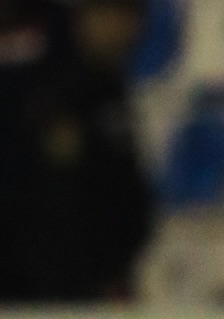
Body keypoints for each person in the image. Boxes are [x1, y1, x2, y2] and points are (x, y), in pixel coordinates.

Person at [0, 0, 152, 303]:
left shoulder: (103, 88)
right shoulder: (37, 86)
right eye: (107, 14)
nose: (122, 29)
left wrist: (116, 266)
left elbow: (125, 190)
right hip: (30, 275)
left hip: (82, 280)